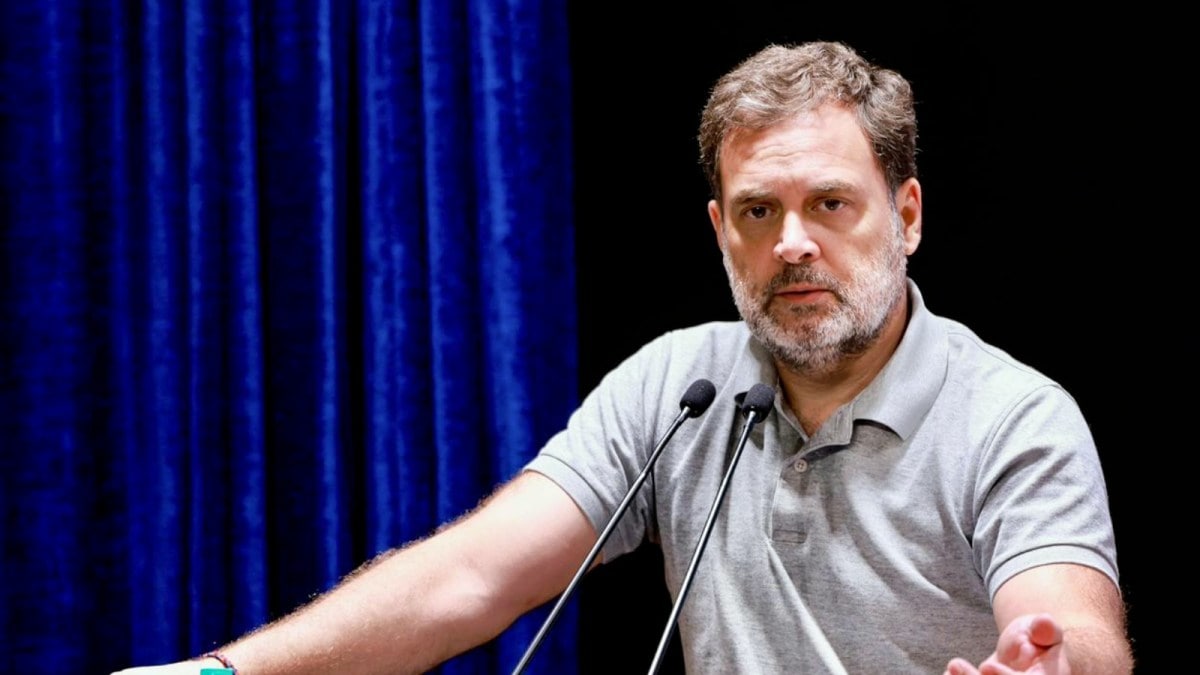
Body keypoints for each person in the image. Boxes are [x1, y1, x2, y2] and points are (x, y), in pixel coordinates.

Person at [114, 41, 1133, 674]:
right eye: (757, 212)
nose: (791, 243)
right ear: (720, 231)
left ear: (906, 215)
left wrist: (1048, 662)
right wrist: (224, 674)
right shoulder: (680, 386)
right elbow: (468, 578)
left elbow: (1069, 624)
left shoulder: (1011, 414)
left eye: (830, 203)